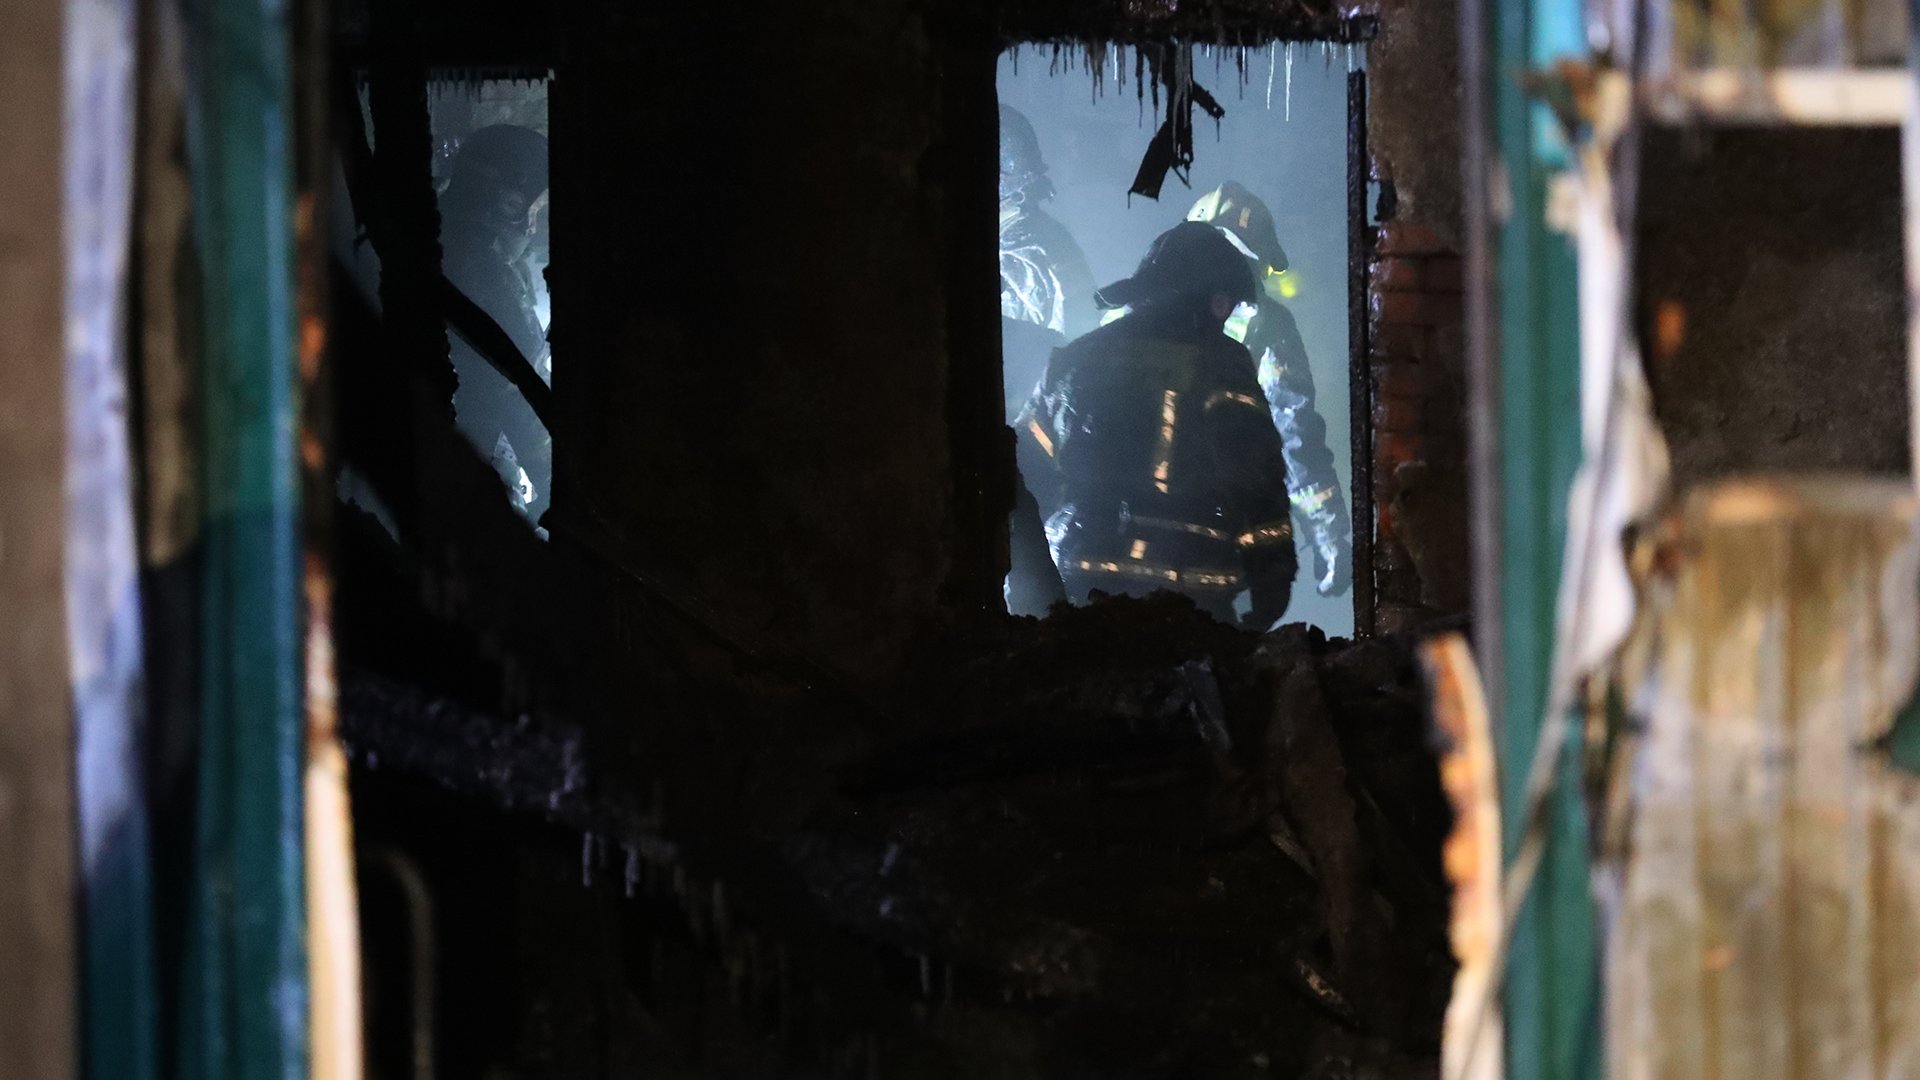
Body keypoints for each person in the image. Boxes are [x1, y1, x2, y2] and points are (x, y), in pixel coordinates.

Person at [1016, 221, 1298, 627]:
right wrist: (1273, 581)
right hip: (1189, 605)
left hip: (1081, 594)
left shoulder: (1076, 359)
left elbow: (1023, 481)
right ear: (1216, 301)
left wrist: (1030, 589)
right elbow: (1257, 480)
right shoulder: (1222, 365)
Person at [1186, 181, 1355, 598]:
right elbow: (1295, 434)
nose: (1250, 278)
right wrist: (1328, 535)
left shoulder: (1136, 309)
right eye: (1243, 260)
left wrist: (1327, 532)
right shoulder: (1263, 326)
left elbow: (1294, 429)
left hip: (1190, 537)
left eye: (1255, 266)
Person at [438, 124, 552, 520]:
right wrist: (555, 481)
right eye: (532, 210)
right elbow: (523, 393)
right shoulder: (483, 272)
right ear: (508, 204)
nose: (533, 226)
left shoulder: (437, 243)